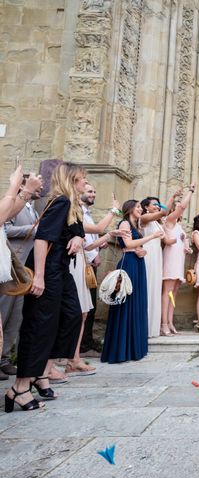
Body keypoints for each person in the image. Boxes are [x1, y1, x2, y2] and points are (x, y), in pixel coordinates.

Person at [5, 162, 85, 412]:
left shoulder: (72, 206)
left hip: (61, 269)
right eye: (82, 179)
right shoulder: (61, 202)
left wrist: (78, 237)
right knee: (39, 325)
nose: (85, 184)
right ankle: (19, 387)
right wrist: (38, 276)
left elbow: (77, 232)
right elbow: (42, 239)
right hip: (47, 270)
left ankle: (41, 371)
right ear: (72, 180)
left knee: (71, 315)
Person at [66, 187, 121, 374]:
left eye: (95, 192)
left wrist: (107, 237)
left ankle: (74, 358)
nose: (93, 194)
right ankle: (69, 357)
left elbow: (88, 243)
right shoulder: (74, 212)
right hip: (75, 264)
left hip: (84, 262)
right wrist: (114, 210)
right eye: (88, 190)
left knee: (83, 312)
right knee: (76, 312)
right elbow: (97, 229)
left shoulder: (84, 214)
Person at [101, 200, 164, 364]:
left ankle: (134, 348)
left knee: (136, 304)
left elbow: (133, 246)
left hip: (137, 262)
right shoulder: (124, 224)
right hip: (128, 264)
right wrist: (151, 237)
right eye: (137, 207)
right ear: (129, 209)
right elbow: (127, 244)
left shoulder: (135, 226)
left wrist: (140, 250)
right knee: (126, 303)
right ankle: (122, 349)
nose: (140, 209)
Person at [0, 172, 43, 380]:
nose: (40, 188)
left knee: (16, 315)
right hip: (10, 264)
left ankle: (5, 357)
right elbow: (6, 227)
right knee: (4, 311)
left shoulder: (32, 209)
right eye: (35, 184)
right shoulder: (12, 204)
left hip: (23, 267)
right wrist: (35, 230)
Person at [161, 185, 195, 336]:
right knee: (167, 291)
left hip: (178, 260)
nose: (178, 211)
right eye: (175, 209)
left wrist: (187, 249)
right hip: (170, 259)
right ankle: (163, 324)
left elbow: (182, 243)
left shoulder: (180, 227)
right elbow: (181, 207)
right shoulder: (168, 221)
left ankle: (170, 321)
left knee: (174, 292)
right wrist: (191, 191)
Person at [140, 193, 176, 337]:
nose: (157, 206)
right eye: (154, 204)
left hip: (157, 255)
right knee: (148, 287)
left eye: (158, 204)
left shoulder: (157, 223)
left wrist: (179, 241)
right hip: (148, 254)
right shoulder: (144, 218)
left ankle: (152, 327)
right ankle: (144, 326)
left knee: (155, 288)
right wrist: (172, 197)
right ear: (146, 207)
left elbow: (167, 241)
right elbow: (164, 211)